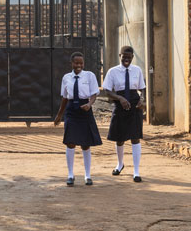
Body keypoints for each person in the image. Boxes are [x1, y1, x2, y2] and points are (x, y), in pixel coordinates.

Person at [53, 51, 102, 186]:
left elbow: (93, 94)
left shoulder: (89, 76)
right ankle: (70, 174)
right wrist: (59, 115)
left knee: (85, 144)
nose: (79, 65)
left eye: (81, 63)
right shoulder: (66, 77)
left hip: (84, 109)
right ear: (71, 63)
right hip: (71, 110)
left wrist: (89, 104)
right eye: (76, 63)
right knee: (70, 142)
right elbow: (64, 97)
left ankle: (87, 175)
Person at [101, 45, 146, 182]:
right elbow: (107, 90)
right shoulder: (113, 72)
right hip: (120, 104)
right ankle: (120, 164)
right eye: (123, 56)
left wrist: (142, 100)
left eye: (129, 56)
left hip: (134, 105)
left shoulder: (137, 70)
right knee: (119, 138)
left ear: (132, 57)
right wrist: (119, 98)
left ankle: (136, 171)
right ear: (120, 56)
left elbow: (142, 88)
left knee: (135, 137)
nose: (126, 59)